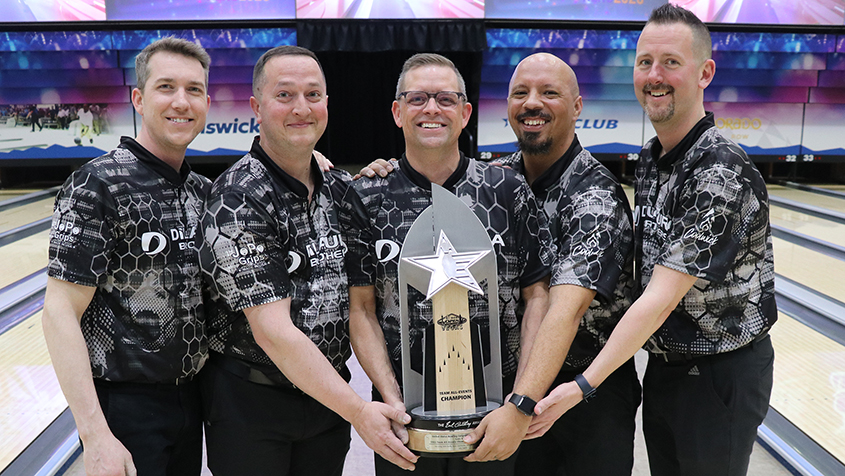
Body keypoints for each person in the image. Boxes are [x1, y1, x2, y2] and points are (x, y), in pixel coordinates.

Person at [531, 5, 777, 476]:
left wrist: (584, 384)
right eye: (645, 62)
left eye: (670, 62)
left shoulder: (720, 170)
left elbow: (660, 298)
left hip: (719, 374)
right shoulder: (652, 158)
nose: (654, 76)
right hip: (666, 368)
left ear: (705, 73)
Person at [197, 45, 417, 476]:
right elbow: (273, 332)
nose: (302, 108)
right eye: (285, 95)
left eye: (313, 95)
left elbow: (361, 306)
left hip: (326, 400)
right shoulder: (236, 197)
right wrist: (359, 411)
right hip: (252, 404)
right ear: (256, 108)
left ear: (327, 105)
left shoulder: (340, 189)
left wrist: (387, 178)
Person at [346, 53, 553, 476]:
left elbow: (537, 296)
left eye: (445, 98)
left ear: (465, 113)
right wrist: (393, 401)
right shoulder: (366, 196)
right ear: (397, 112)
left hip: (495, 415)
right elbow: (361, 309)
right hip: (404, 420)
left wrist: (519, 401)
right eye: (417, 98)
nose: (431, 109)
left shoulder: (506, 189)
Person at [459, 52, 641, 474]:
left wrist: (522, 404)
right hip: (510, 386)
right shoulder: (495, 181)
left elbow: (566, 310)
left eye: (549, 93)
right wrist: (386, 171)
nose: (532, 103)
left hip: (583, 397)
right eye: (520, 93)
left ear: (577, 107)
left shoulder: (596, 196)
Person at [42, 37, 212, 476]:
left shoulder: (202, 192)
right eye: (166, 87)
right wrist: (94, 434)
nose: (181, 101)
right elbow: (59, 311)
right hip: (123, 406)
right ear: (138, 98)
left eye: (194, 90)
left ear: (207, 103)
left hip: (191, 401)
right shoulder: (97, 184)